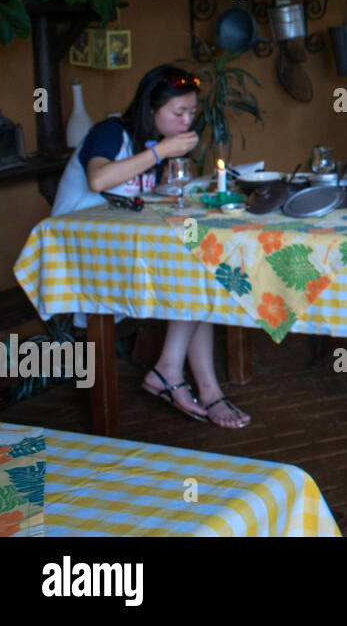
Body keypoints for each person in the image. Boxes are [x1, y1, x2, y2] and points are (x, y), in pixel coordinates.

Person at [52, 65, 252, 429]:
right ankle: (169, 372)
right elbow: (99, 179)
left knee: (203, 267)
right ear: (150, 109)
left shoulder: (152, 145)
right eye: (178, 113)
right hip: (77, 257)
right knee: (197, 271)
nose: (187, 120)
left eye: (192, 113)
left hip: (120, 249)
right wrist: (162, 151)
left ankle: (204, 388)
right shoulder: (109, 133)